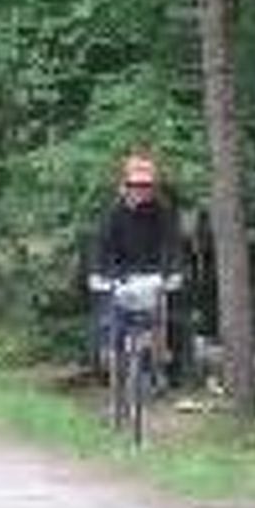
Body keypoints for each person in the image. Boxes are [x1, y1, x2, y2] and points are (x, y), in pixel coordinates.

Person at [88, 152, 187, 386]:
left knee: (169, 317)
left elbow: (171, 244)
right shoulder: (113, 212)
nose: (141, 190)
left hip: (153, 274)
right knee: (106, 316)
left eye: (146, 185)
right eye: (135, 185)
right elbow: (102, 245)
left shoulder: (163, 211)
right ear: (126, 185)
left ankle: (164, 366)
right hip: (121, 274)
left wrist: (171, 272)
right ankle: (106, 357)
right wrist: (100, 273)